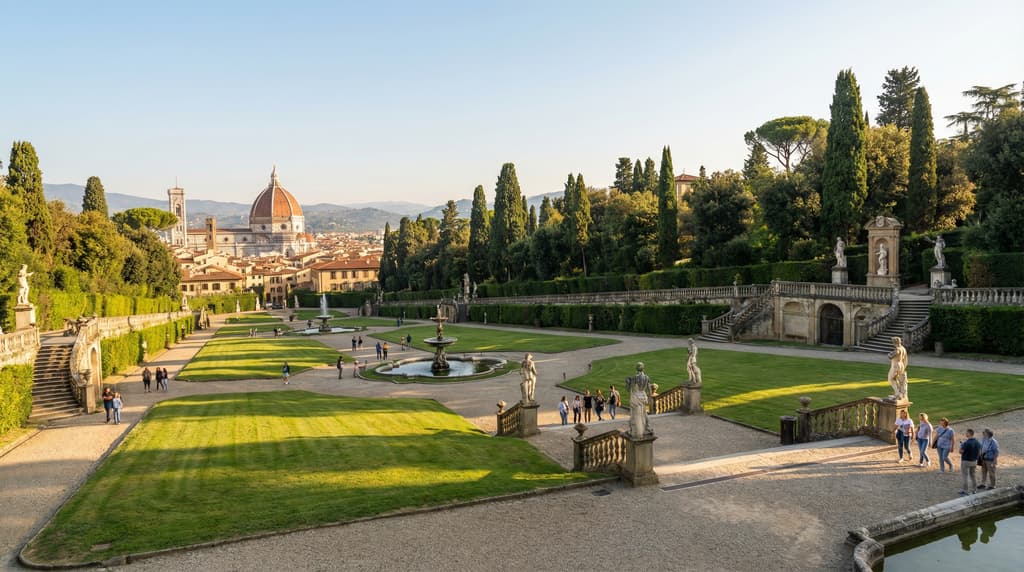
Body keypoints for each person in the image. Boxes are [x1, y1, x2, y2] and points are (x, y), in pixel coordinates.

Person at [626, 362, 653, 436]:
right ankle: (646, 426)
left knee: (636, 414)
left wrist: (627, 382)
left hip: (636, 397)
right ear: (643, 368)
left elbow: (629, 389)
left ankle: (637, 430)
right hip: (643, 396)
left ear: (636, 368)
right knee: (644, 413)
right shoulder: (647, 377)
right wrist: (649, 398)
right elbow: (650, 390)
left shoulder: (635, 377)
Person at [959, 429, 982, 495]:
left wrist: (961, 446)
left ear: (969, 433)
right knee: (973, 476)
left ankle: (965, 491)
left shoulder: (966, 443)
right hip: (974, 461)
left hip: (966, 461)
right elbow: (980, 452)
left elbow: (960, 451)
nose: (965, 434)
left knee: (965, 476)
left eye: (966, 433)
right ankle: (974, 490)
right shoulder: (977, 442)